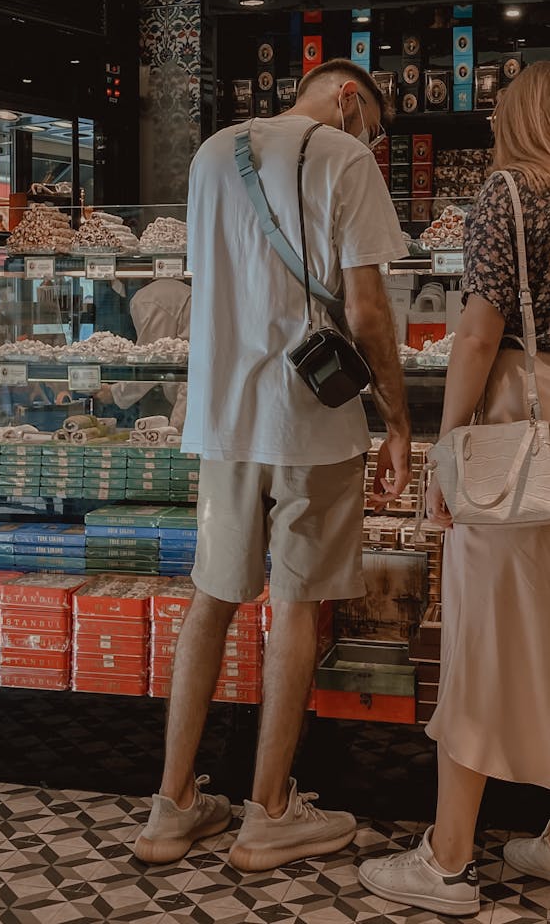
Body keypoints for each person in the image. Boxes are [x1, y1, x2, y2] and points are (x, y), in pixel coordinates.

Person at [134, 59, 411, 870]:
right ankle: (270, 812)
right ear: (349, 96)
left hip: (221, 416)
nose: (372, 143)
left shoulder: (212, 153)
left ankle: (171, 807)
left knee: (210, 601)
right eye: (375, 128)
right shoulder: (345, 156)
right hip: (310, 420)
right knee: (293, 606)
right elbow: (365, 309)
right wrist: (394, 418)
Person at [358, 61, 550, 916]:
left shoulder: (508, 195)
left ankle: (447, 860)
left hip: (517, 428)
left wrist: (448, 440)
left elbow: (476, 335)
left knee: (480, 640)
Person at [94, 277, 191, 429]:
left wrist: (115, 393)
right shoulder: (188, 294)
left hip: (188, 396)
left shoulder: (151, 298)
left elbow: (153, 360)